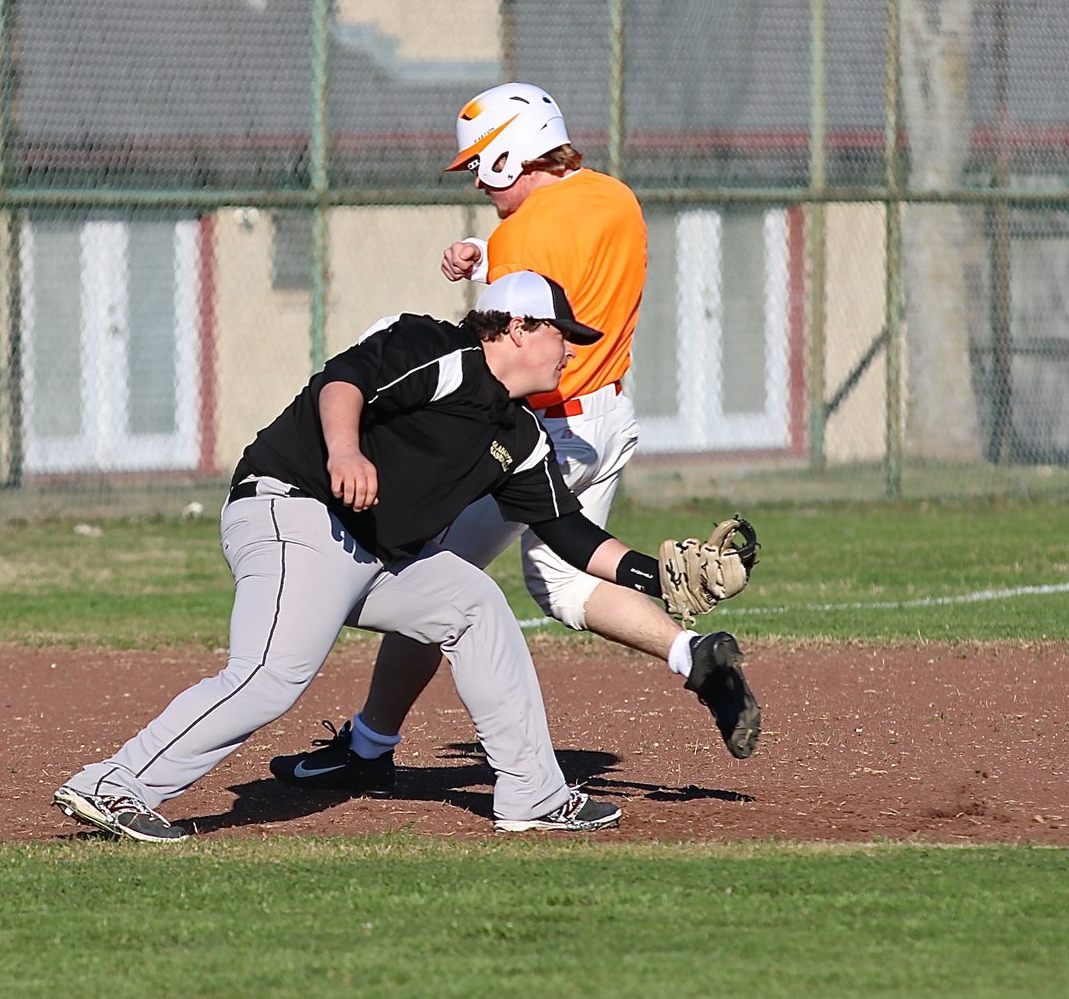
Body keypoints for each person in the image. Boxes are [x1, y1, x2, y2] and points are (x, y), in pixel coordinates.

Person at [52, 272, 750, 842]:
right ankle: (113, 784)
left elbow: (567, 531)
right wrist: (346, 449)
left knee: (474, 603)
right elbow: (342, 381)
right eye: (563, 334)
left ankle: (534, 795)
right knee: (272, 672)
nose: (571, 350)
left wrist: (656, 575)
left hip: (371, 552)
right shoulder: (438, 348)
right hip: (295, 509)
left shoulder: (518, 433)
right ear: (517, 327)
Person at [269, 83, 760, 798]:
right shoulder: (616, 197)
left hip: (544, 425)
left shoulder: (519, 239)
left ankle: (370, 748)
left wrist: (489, 260)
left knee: (429, 578)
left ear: (512, 154)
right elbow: (564, 265)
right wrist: (488, 255)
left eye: (481, 163)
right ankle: (694, 655)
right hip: (609, 416)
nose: (476, 176)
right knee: (560, 581)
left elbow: (502, 342)